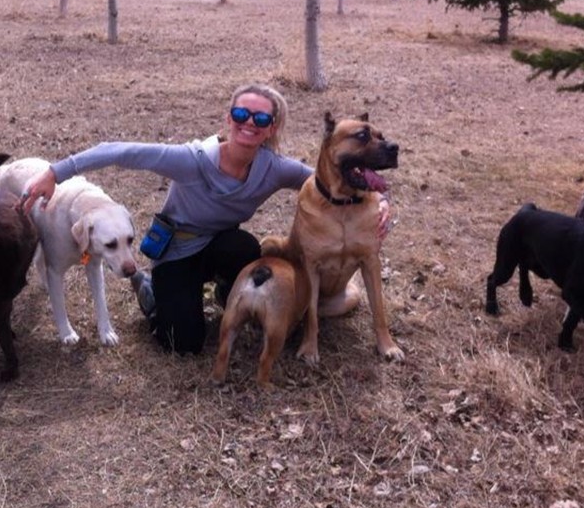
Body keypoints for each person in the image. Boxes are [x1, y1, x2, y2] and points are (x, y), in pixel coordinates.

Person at [22, 83, 390, 356]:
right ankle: (151, 294)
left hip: (219, 248)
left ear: (272, 127)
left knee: (246, 247)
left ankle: (227, 297)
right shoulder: (192, 160)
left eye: (261, 118)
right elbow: (119, 151)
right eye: (242, 114)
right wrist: (55, 172)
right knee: (182, 343)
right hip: (177, 253)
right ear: (229, 118)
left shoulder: (274, 169)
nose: (250, 123)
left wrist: (377, 200)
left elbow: (328, 180)